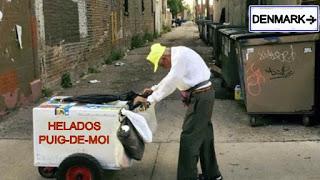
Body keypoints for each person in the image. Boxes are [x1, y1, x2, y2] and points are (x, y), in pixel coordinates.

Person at [134, 43, 222, 180]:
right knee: (204, 137)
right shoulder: (179, 54)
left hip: (201, 98)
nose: (163, 67)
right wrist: (154, 88)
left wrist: (149, 101)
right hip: (203, 96)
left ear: (164, 57)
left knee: (189, 138)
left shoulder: (179, 57)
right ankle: (213, 175)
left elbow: (172, 81)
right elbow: (171, 78)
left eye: (161, 64)